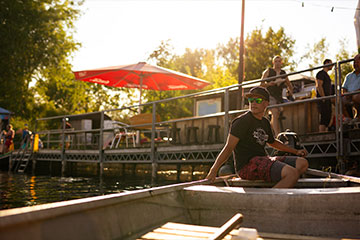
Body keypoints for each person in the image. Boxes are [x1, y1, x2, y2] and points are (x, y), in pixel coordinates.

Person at [205, 87, 308, 188]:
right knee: (292, 174)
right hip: (247, 166)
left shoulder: (265, 122)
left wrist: (295, 152)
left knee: (302, 163)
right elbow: (228, 148)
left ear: (266, 103)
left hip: (264, 159)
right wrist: (213, 170)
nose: (253, 103)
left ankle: (279, 183)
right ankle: (269, 201)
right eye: (251, 100)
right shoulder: (241, 122)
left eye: (258, 100)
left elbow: (272, 142)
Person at [261, 55, 294, 136]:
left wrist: (289, 93)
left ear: (281, 63)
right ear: (273, 62)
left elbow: (290, 85)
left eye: (279, 61)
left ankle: (271, 130)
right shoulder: (269, 71)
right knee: (275, 113)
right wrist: (269, 84)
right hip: (269, 95)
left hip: (279, 97)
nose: (277, 63)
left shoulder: (283, 73)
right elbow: (261, 84)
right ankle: (277, 135)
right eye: (276, 61)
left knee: (277, 113)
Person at [315, 59, 333, 132]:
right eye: (331, 64)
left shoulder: (326, 75)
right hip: (323, 99)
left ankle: (325, 133)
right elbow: (319, 85)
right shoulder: (321, 73)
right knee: (324, 117)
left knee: (327, 117)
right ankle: (321, 135)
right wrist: (323, 98)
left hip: (327, 99)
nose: (332, 66)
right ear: (327, 63)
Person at [342, 54, 360, 120]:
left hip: (357, 94)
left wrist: (353, 93)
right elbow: (344, 88)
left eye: (357, 62)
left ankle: (358, 116)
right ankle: (349, 118)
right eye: (354, 62)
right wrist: (346, 93)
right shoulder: (349, 76)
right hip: (349, 95)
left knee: (356, 97)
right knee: (337, 99)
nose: (355, 64)